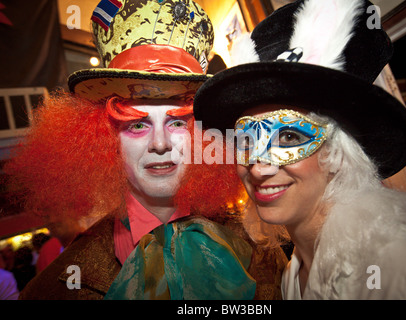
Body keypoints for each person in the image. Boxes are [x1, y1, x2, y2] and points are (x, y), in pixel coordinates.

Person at [4, 0, 286, 300]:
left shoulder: (265, 253)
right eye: (137, 125)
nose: (160, 144)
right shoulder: (54, 290)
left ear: (202, 134)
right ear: (105, 138)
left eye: (177, 122)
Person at [194, 0, 406, 299]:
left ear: (339, 154)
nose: (259, 167)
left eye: (289, 137)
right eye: (246, 141)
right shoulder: (293, 275)